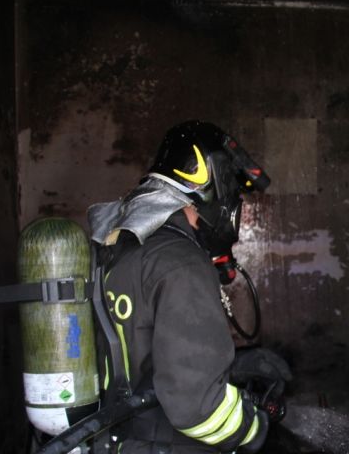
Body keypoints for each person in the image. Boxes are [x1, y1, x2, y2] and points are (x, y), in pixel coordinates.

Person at [87, 121, 277, 453]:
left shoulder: (115, 246)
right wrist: (254, 426)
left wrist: (233, 365)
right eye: (234, 191)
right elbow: (198, 408)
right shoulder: (181, 262)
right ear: (214, 185)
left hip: (116, 440)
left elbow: (143, 347)